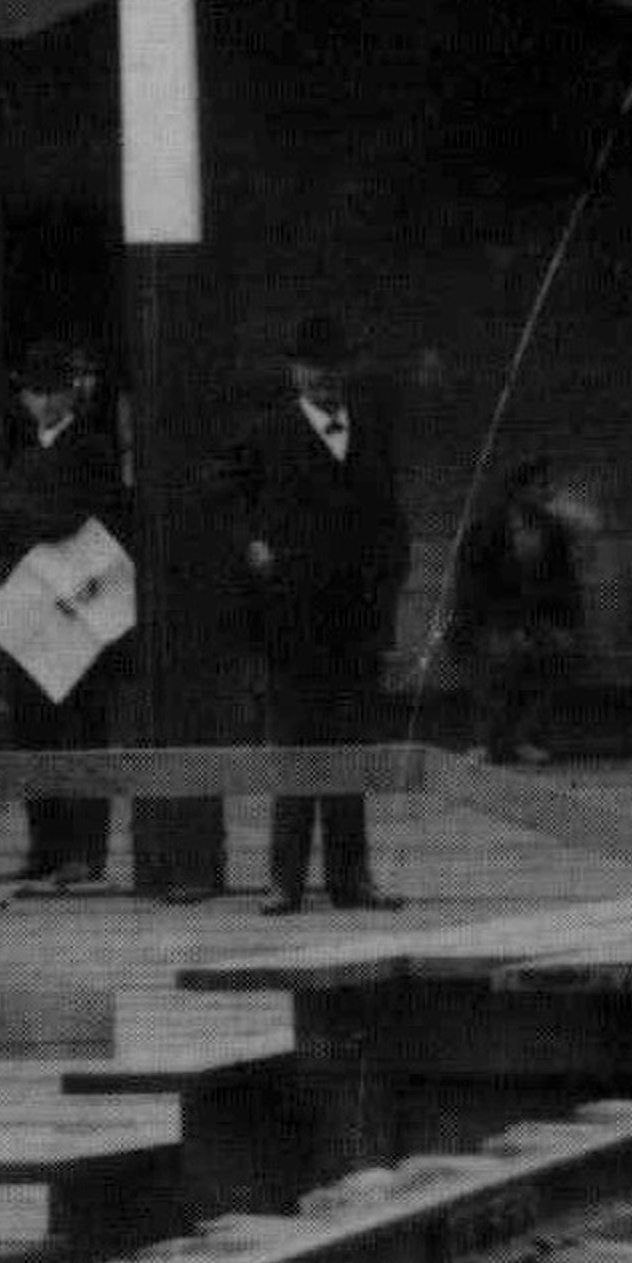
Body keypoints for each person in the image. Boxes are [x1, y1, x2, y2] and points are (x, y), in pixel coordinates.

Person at [226, 313, 406, 912]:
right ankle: (286, 881)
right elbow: (226, 507)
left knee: (348, 751)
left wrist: (385, 601)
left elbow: (391, 525)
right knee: (297, 752)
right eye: (312, 368)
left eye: (334, 368)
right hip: (293, 626)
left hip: (356, 626)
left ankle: (352, 879)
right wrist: (250, 545)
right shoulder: (267, 435)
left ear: (347, 372)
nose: (324, 379)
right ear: (295, 372)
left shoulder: (373, 432)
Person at [0, 337, 125, 894]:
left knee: (82, 729)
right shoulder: (20, 455)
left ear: (70, 394)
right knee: (33, 729)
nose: (43, 403)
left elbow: (80, 520)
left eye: (53, 391)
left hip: (79, 605)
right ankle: (44, 847)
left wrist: (30, 521)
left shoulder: (92, 450)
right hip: (33, 606)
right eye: (34, 393)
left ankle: (86, 853)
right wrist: (34, 522)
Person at [450, 463, 584, 765]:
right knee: (500, 653)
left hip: (536, 620)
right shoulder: (486, 529)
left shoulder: (552, 531)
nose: (545, 493)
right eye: (539, 486)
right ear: (519, 491)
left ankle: (526, 734)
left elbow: (564, 584)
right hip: (488, 622)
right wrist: (510, 627)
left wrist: (564, 626)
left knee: (560, 650)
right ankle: (485, 738)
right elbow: (473, 590)